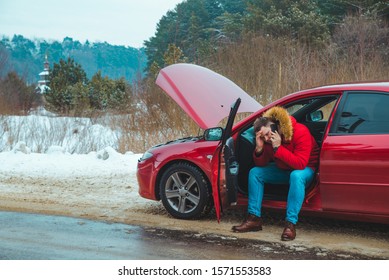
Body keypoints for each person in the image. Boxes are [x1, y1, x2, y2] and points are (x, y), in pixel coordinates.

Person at [232, 106, 319, 241]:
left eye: (267, 134)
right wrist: (259, 148)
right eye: (262, 136)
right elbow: (262, 164)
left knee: (296, 175)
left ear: (275, 125)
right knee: (255, 173)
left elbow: (300, 164)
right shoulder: (267, 141)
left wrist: (278, 148)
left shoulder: (300, 131)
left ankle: (290, 224)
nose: (267, 138)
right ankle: (254, 218)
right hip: (284, 169)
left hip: (305, 169)